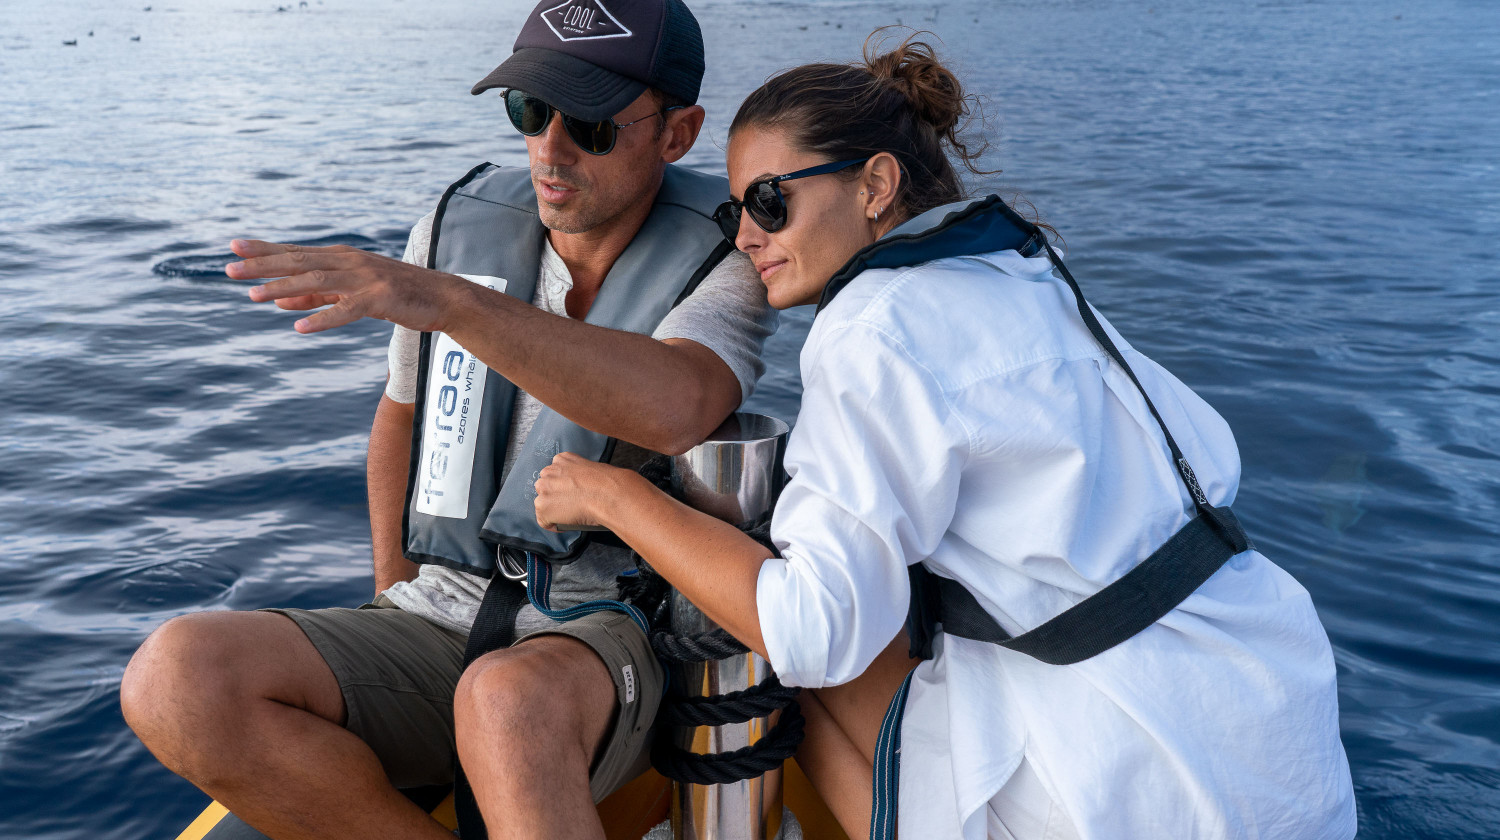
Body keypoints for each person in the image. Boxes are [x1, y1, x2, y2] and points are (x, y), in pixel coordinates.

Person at [531, 33, 1358, 840]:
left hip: (1129, 777)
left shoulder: (873, 327)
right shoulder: (1023, 269)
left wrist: (618, 495)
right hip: (1275, 731)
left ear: (876, 185)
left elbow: (813, 630)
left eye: (770, 202)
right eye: (734, 209)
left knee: (794, 672)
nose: (746, 239)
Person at [119, 1, 776, 838]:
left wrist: (445, 302)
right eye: (528, 112)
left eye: (589, 126)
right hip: (439, 613)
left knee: (503, 700)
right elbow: (401, 416)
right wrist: (395, 590)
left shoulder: (730, 258)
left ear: (677, 134)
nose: (549, 150)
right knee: (174, 678)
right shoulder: (461, 226)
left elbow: (678, 404)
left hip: (607, 632)